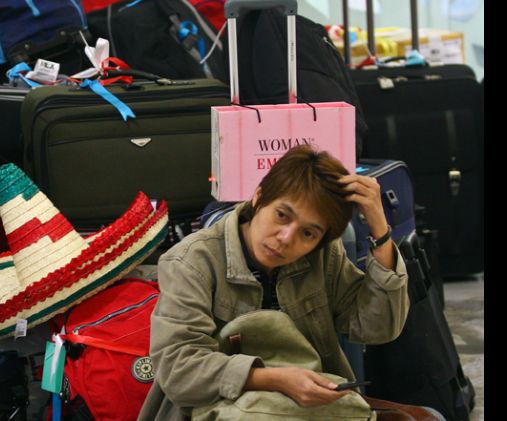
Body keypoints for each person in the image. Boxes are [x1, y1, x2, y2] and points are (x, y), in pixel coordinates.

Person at [138, 144, 410, 420]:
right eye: (282, 215)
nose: (286, 238)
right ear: (258, 197)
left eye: (308, 233)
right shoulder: (191, 261)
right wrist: (275, 379)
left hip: (308, 410)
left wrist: (380, 231)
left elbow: (377, 328)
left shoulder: (323, 254)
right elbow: (179, 369)